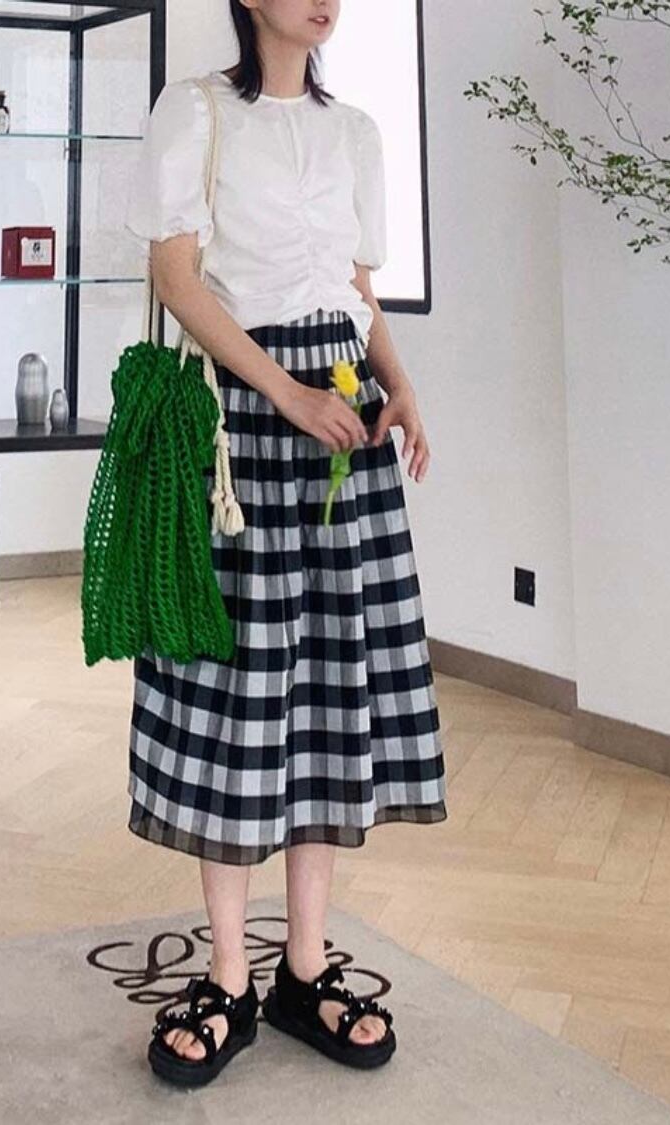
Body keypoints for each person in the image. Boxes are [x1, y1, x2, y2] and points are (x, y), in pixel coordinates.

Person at [124, 0, 447, 1087]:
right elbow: (179, 280)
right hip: (244, 430)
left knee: (330, 692)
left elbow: (354, 287)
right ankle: (227, 975)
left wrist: (399, 385)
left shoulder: (354, 131)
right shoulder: (196, 111)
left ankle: (304, 969)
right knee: (232, 692)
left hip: (344, 417)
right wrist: (285, 395)